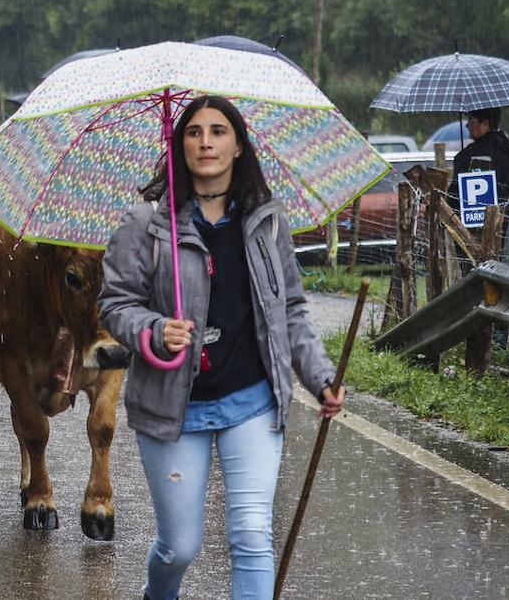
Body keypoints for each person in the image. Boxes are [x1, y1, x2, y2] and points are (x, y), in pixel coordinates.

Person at [99, 95, 345, 600]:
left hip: (250, 400)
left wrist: (319, 377)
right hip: (173, 406)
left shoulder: (266, 222)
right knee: (179, 547)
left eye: (218, 131)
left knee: (252, 536)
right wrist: (153, 329)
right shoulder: (146, 223)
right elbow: (115, 305)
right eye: (193, 132)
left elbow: (291, 311)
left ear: (237, 146)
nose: (205, 142)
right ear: (179, 144)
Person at [447, 107, 509, 204]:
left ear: (485, 124)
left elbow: (456, 196)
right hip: (503, 213)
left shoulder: (473, 154)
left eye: (472, 121)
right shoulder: (507, 149)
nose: (467, 126)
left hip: (474, 215)